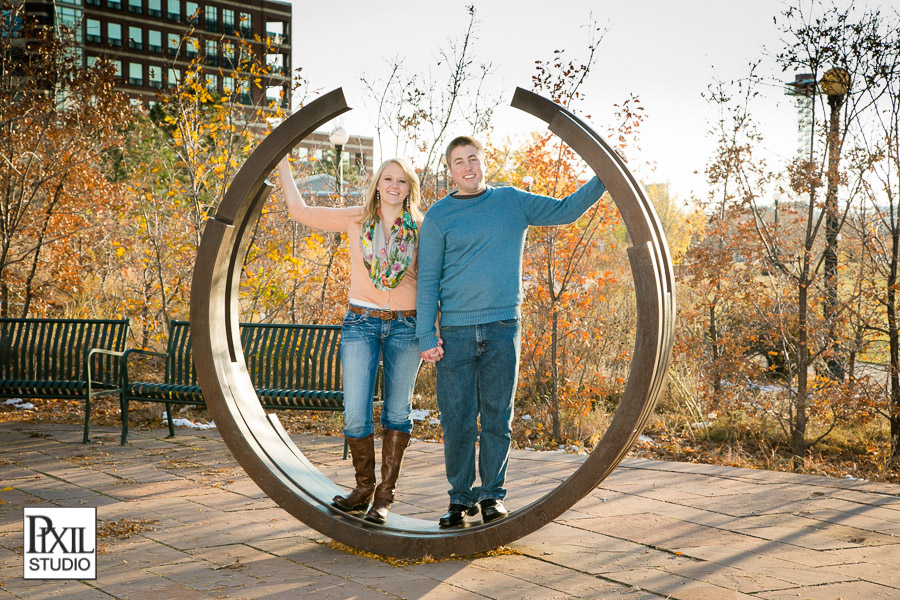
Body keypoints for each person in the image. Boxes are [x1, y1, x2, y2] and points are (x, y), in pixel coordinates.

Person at [416, 135, 606, 528]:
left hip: (503, 328)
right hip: (455, 332)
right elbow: (427, 281)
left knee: (498, 418)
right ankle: (460, 498)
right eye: (458, 162)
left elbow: (567, 210)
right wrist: (424, 335)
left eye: (473, 159)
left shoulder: (512, 201)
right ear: (449, 170)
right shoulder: (438, 216)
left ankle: (491, 497)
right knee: (458, 420)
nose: (468, 168)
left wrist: (604, 177)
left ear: (484, 162)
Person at [278, 155, 427, 524]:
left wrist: (432, 329)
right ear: (377, 183)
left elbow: (432, 283)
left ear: (410, 188)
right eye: (388, 178)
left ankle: (384, 497)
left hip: (407, 327)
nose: (394, 185)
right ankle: (363, 488)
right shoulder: (355, 218)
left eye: (402, 181)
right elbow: (299, 210)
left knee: (397, 412)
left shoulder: (423, 228)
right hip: (360, 323)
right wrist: (281, 163)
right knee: (355, 412)